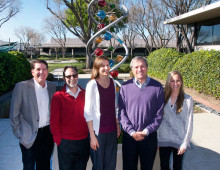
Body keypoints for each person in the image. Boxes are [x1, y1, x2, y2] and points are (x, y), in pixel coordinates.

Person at [119, 56, 165, 170]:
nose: (140, 69)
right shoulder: (125, 87)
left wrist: (145, 131)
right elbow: (121, 112)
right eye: (136, 67)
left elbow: (159, 114)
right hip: (130, 137)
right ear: (132, 70)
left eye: (142, 66)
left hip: (149, 137)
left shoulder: (157, 87)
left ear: (147, 68)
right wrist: (132, 131)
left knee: (147, 167)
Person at [10, 59, 56, 170]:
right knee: (29, 166)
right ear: (32, 72)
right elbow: (14, 114)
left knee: (44, 165)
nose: (41, 72)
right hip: (29, 134)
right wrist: (20, 134)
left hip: (47, 134)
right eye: (38, 69)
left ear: (47, 71)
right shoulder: (21, 87)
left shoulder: (51, 87)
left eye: (44, 69)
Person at [84, 56, 120, 170]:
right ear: (97, 68)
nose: (106, 68)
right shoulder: (92, 84)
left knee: (110, 165)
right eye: (102, 66)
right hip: (98, 132)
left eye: (107, 65)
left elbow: (114, 107)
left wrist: (118, 126)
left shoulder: (113, 83)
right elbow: (88, 112)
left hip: (112, 131)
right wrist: (92, 136)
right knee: (98, 166)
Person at [50, 66, 90, 170]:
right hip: (66, 143)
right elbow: (54, 121)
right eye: (68, 76)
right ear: (64, 78)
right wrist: (59, 141)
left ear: (78, 76)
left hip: (83, 142)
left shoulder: (86, 94)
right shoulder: (58, 96)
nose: (72, 78)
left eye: (74, 75)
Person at [157, 71, 193, 170]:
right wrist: (157, 139)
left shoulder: (188, 100)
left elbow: (190, 123)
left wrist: (185, 142)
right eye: (172, 81)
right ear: (168, 82)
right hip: (164, 139)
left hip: (179, 139)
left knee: (177, 166)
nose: (175, 83)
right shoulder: (162, 97)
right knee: (164, 166)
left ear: (181, 82)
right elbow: (158, 119)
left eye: (178, 81)